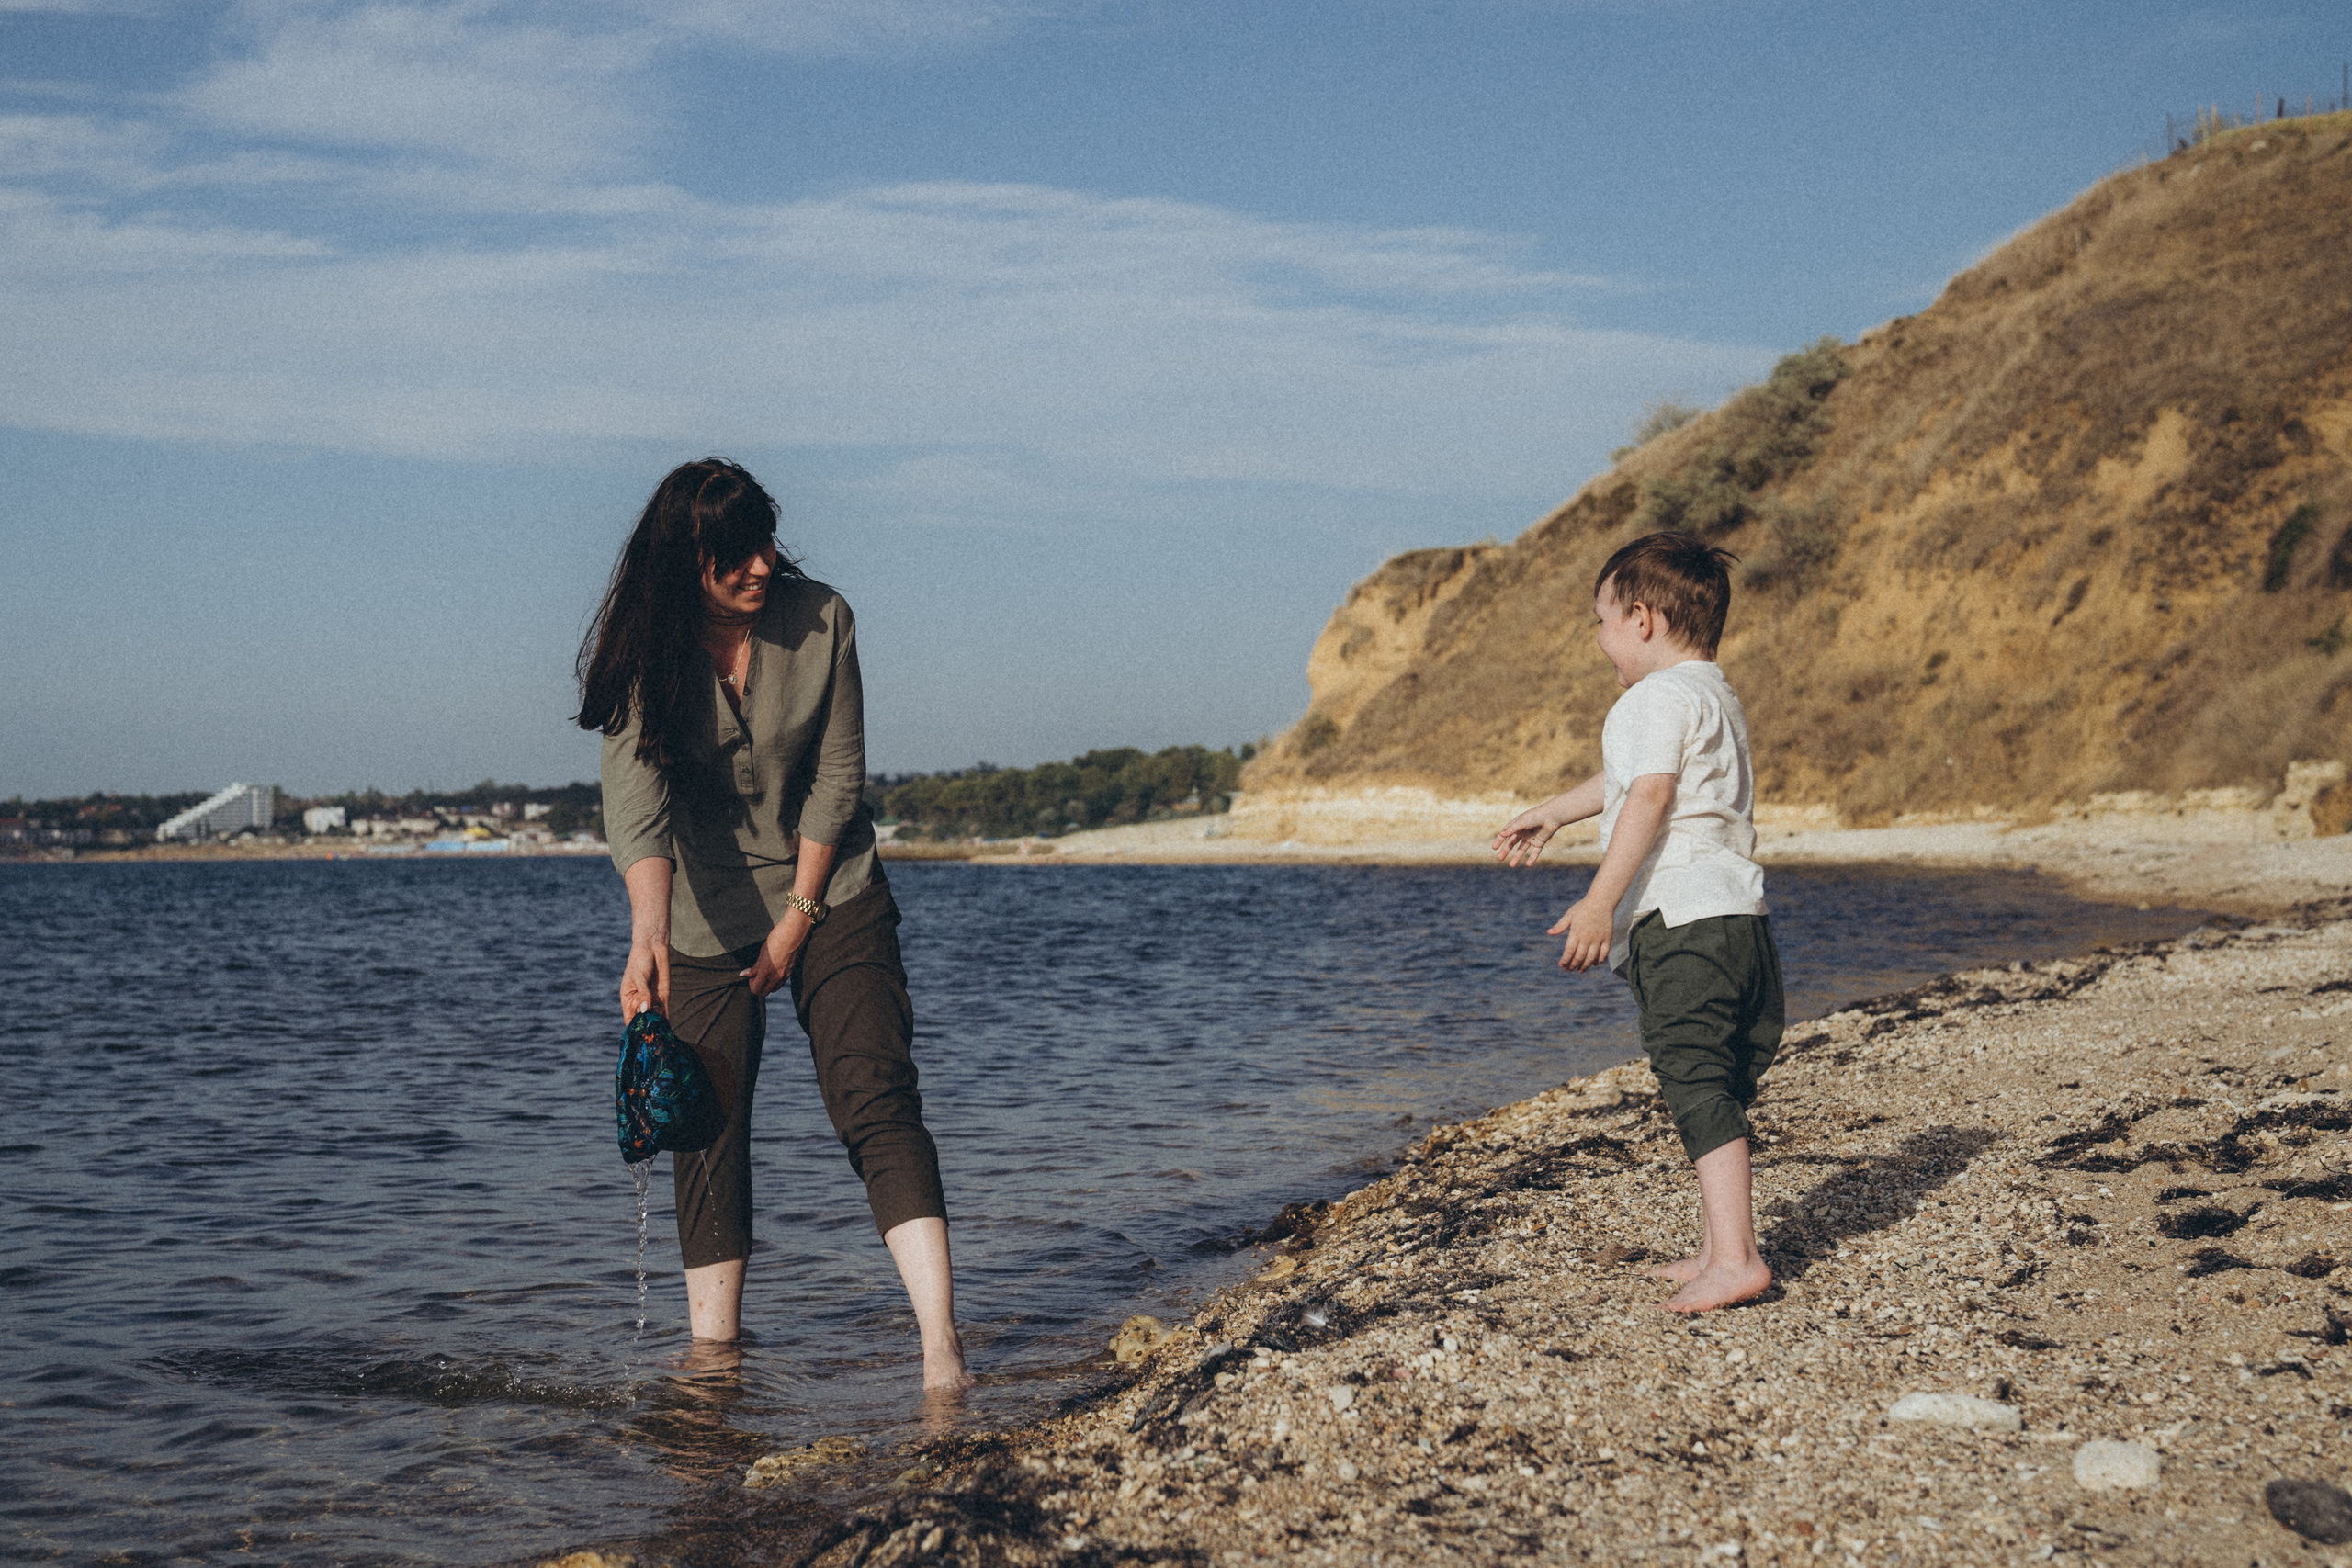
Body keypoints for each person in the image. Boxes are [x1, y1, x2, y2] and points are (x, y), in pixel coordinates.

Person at [576, 457, 971, 1390]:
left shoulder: (822, 618)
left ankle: (940, 1348)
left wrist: (798, 919)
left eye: (763, 540)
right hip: (701, 913)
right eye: (732, 554)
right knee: (703, 1129)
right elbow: (635, 811)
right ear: (686, 562)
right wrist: (645, 936)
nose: (760, 565)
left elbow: (839, 778)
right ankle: (714, 1365)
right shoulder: (645, 655)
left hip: (833, 888)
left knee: (872, 1093)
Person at [1492, 531, 1784, 1314]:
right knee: (1718, 1078)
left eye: (1602, 621)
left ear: (1644, 619)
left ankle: (1738, 1258)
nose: (1599, 640)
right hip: (1739, 920)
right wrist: (1556, 810)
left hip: (1680, 920)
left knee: (1692, 1076)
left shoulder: (1649, 698)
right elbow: (1633, 780)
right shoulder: (1710, 693)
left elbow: (1649, 796)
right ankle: (1721, 1245)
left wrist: (1599, 900)